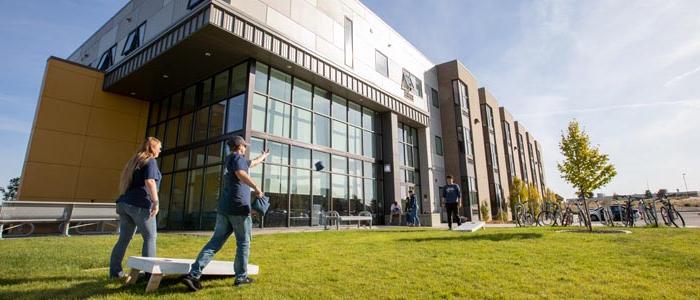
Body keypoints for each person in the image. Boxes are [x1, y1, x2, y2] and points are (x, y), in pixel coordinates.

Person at [182, 136, 269, 291]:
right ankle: (241, 278)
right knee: (243, 243)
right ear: (239, 146)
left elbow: (252, 164)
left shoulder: (230, 159)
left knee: (215, 242)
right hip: (239, 208)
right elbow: (242, 173)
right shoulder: (237, 158)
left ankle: (193, 275)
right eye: (244, 146)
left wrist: (263, 156)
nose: (245, 148)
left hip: (225, 208)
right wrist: (257, 188)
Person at [109, 137, 162, 279]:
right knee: (150, 237)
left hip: (125, 203)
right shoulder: (151, 161)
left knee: (124, 238)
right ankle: (149, 274)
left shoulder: (135, 161)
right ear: (153, 148)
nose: (160, 150)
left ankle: (115, 273)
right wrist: (156, 202)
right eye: (159, 148)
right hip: (140, 204)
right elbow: (150, 181)